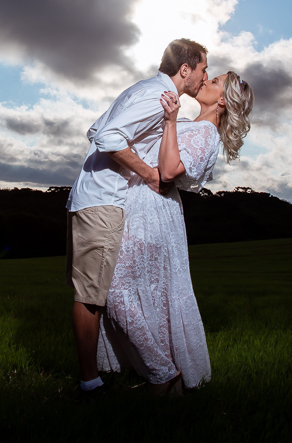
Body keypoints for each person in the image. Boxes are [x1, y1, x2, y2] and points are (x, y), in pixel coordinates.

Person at [97, 71, 254, 395]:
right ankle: (162, 374)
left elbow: (168, 173)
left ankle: (164, 372)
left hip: (153, 212)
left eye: (214, 83)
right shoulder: (194, 127)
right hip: (143, 206)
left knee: (114, 290)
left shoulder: (205, 133)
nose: (205, 81)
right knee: (133, 289)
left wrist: (170, 120)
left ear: (222, 101)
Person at [66, 39, 209, 393]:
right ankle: (93, 384)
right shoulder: (155, 95)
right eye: (203, 69)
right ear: (185, 69)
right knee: (92, 296)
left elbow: (94, 129)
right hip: (103, 201)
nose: (204, 77)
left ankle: (98, 378)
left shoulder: (145, 90)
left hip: (91, 198)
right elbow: (106, 137)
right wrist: (146, 172)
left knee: (91, 292)